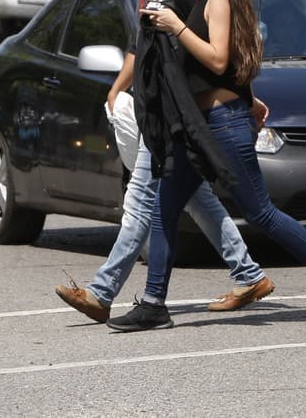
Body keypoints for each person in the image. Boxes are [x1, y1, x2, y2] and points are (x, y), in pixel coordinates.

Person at [108, 0, 306, 331]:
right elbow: (223, 71)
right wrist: (250, 96)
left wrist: (176, 26)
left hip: (223, 125)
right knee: (164, 209)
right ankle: (154, 302)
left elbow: (218, 57)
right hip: (200, 125)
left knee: (260, 212)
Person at [55, 87, 273, 323]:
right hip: (166, 110)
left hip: (166, 112)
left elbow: (168, 58)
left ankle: (104, 293)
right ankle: (249, 274)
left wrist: (117, 87)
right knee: (198, 199)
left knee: (140, 203)